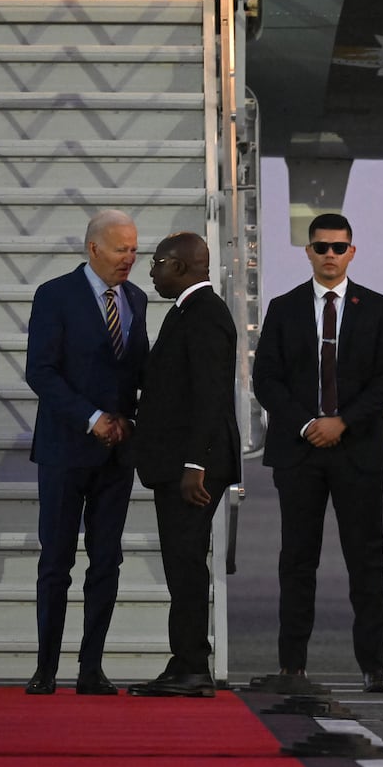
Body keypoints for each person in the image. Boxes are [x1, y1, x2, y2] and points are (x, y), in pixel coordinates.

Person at [252, 212, 383, 692]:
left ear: (352, 252)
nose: (330, 255)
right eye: (321, 247)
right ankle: (291, 666)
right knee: (297, 560)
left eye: (339, 247)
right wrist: (307, 424)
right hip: (299, 453)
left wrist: (343, 421)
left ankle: (373, 666)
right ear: (309, 252)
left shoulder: (378, 308)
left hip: (356, 451)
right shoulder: (283, 307)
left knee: (366, 561)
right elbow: (266, 380)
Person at [23, 209, 149, 695]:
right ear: (93, 248)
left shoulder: (136, 299)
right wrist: (91, 417)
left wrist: (131, 421)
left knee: (106, 562)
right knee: (56, 562)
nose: (130, 259)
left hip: (117, 455)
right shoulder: (54, 296)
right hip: (64, 450)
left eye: (135, 249)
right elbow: (41, 371)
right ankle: (45, 670)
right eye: (122, 249)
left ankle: (91, 669)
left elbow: (137, 371)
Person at [128, 232, 241, 698]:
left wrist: (195, 463)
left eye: (156, 263)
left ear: (180, 266)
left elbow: (210, 396)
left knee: (187, 563)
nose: (150, 272)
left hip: (193, 468)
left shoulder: (205, 315)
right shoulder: (187, 312)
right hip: (181, 464)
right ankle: (186, 662)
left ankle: (192, 665)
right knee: (182, 562)